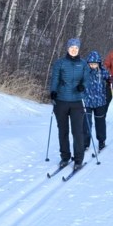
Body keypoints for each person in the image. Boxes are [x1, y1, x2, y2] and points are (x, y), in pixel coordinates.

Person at [48, 38, 89, 169]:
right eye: (71, 47)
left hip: (77, 102)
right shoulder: (60, 63)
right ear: (67, 48)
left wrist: (83, 86)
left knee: (77, 132)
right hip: (61, 101)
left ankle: (78, 159)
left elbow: (86, 79)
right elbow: (55, 78)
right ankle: (65, 157)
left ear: (79, 49)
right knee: (63, 131)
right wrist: (53, 91)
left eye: (76, 48)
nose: (74, 50)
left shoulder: (83, 64)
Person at [83, 50, 112, 151]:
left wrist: (110, 79)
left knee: (100, 122)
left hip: (100, 101)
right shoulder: (85, 71)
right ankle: (85, 143)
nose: (93, 66)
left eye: (95, 64)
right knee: (86, 123)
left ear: (98, 63)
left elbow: (109, 77)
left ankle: (101, 141)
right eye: (91, 64)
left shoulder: (102, 71)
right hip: (87, 101)